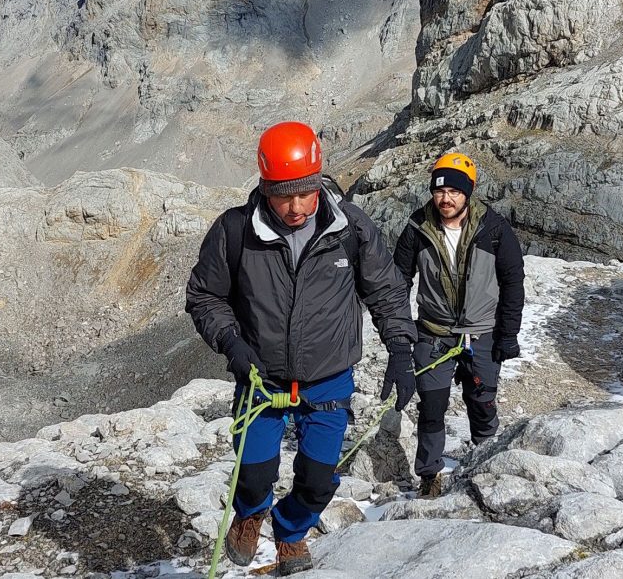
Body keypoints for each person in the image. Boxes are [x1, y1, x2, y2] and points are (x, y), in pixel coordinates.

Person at [185, 121, 417, 575]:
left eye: (304, 194)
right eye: (283, 195)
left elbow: (386, 292)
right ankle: (250, 512)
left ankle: (291, 530)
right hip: (261, 376)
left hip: (328, 377)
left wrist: (402, 351)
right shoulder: (235, 231)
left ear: (318, 183)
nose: (295, 207)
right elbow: (205, 296)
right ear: (265, 187)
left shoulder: (350, 227)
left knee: (317, 479)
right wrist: (232, 342)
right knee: (253, 475)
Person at [393, 153, 525, 498]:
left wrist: (508, 333)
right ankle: (430, 475)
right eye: (439, 191)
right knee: (432, 407)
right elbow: (397, 282)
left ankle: (485, 462)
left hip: (482, 333)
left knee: (482, 402)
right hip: (433, 334)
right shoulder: (416, 229)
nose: (445, 199)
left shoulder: (494, 230)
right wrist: (400, 331)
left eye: (454, 191)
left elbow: (513, 282)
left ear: (468, 192)